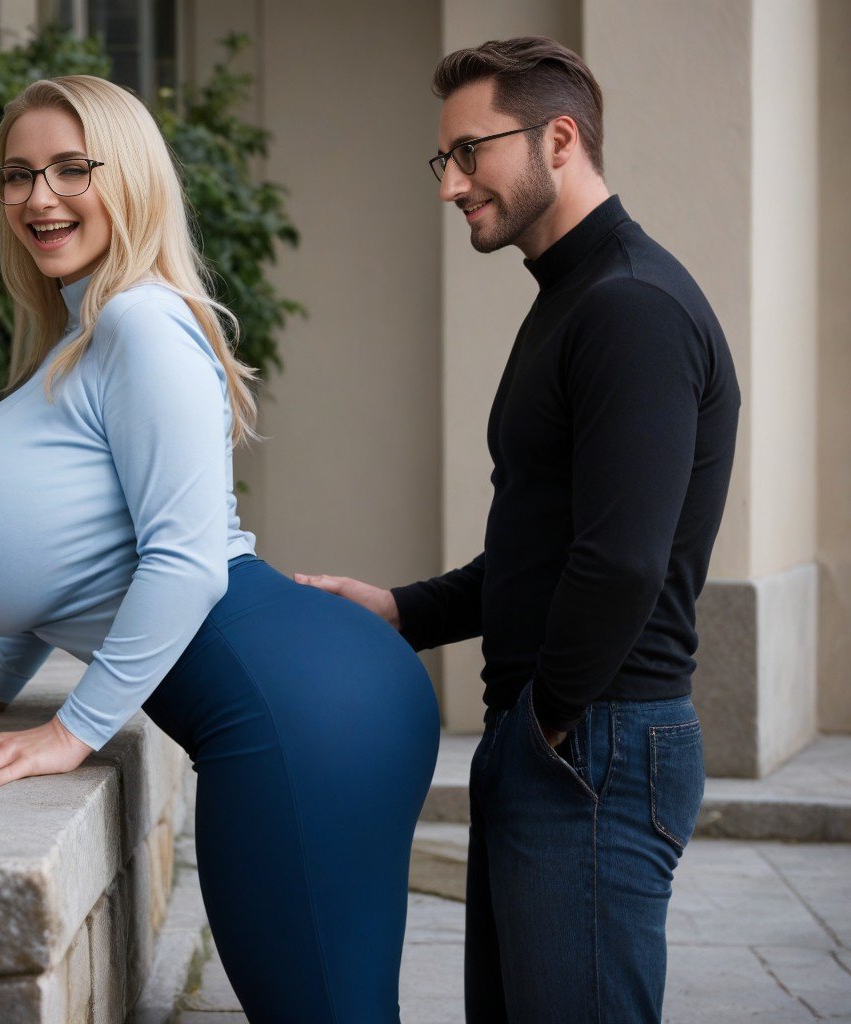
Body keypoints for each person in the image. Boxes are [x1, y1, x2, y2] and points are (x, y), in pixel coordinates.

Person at [0, 74, 439, 1023]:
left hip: (294, 707)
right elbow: (75, 555)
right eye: (16, 175)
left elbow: (183, 560)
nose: (38, 198)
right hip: (298, 694)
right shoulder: (89, 330)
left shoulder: (141, 321)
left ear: (129, 176)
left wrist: (72, 732)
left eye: (69, 168)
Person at [296, 36, 740, 1024]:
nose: (450, 185)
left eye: (470, 153)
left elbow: (621, 561)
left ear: (560, 138)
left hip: (591, 740)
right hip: (565, 734)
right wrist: (402, 608)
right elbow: (555, 543)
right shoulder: (575, 299)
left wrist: (540, 728)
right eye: (442, 160)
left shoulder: (630, 307)